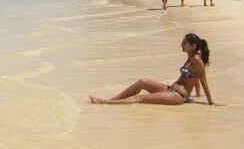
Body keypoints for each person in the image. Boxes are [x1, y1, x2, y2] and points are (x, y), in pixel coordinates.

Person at [89, 33, 220, 105]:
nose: (181, 45)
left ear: (192, 46)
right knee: (142, 81)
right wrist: (196, 95)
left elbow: (203, 80)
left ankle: (104, 102)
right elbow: (195, 79)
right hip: (170, 89)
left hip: (178, 96)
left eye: (184, 43)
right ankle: (113, 99)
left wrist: (210, 102)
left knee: (140, 98)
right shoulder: (190, 57)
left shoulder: (196, 60)